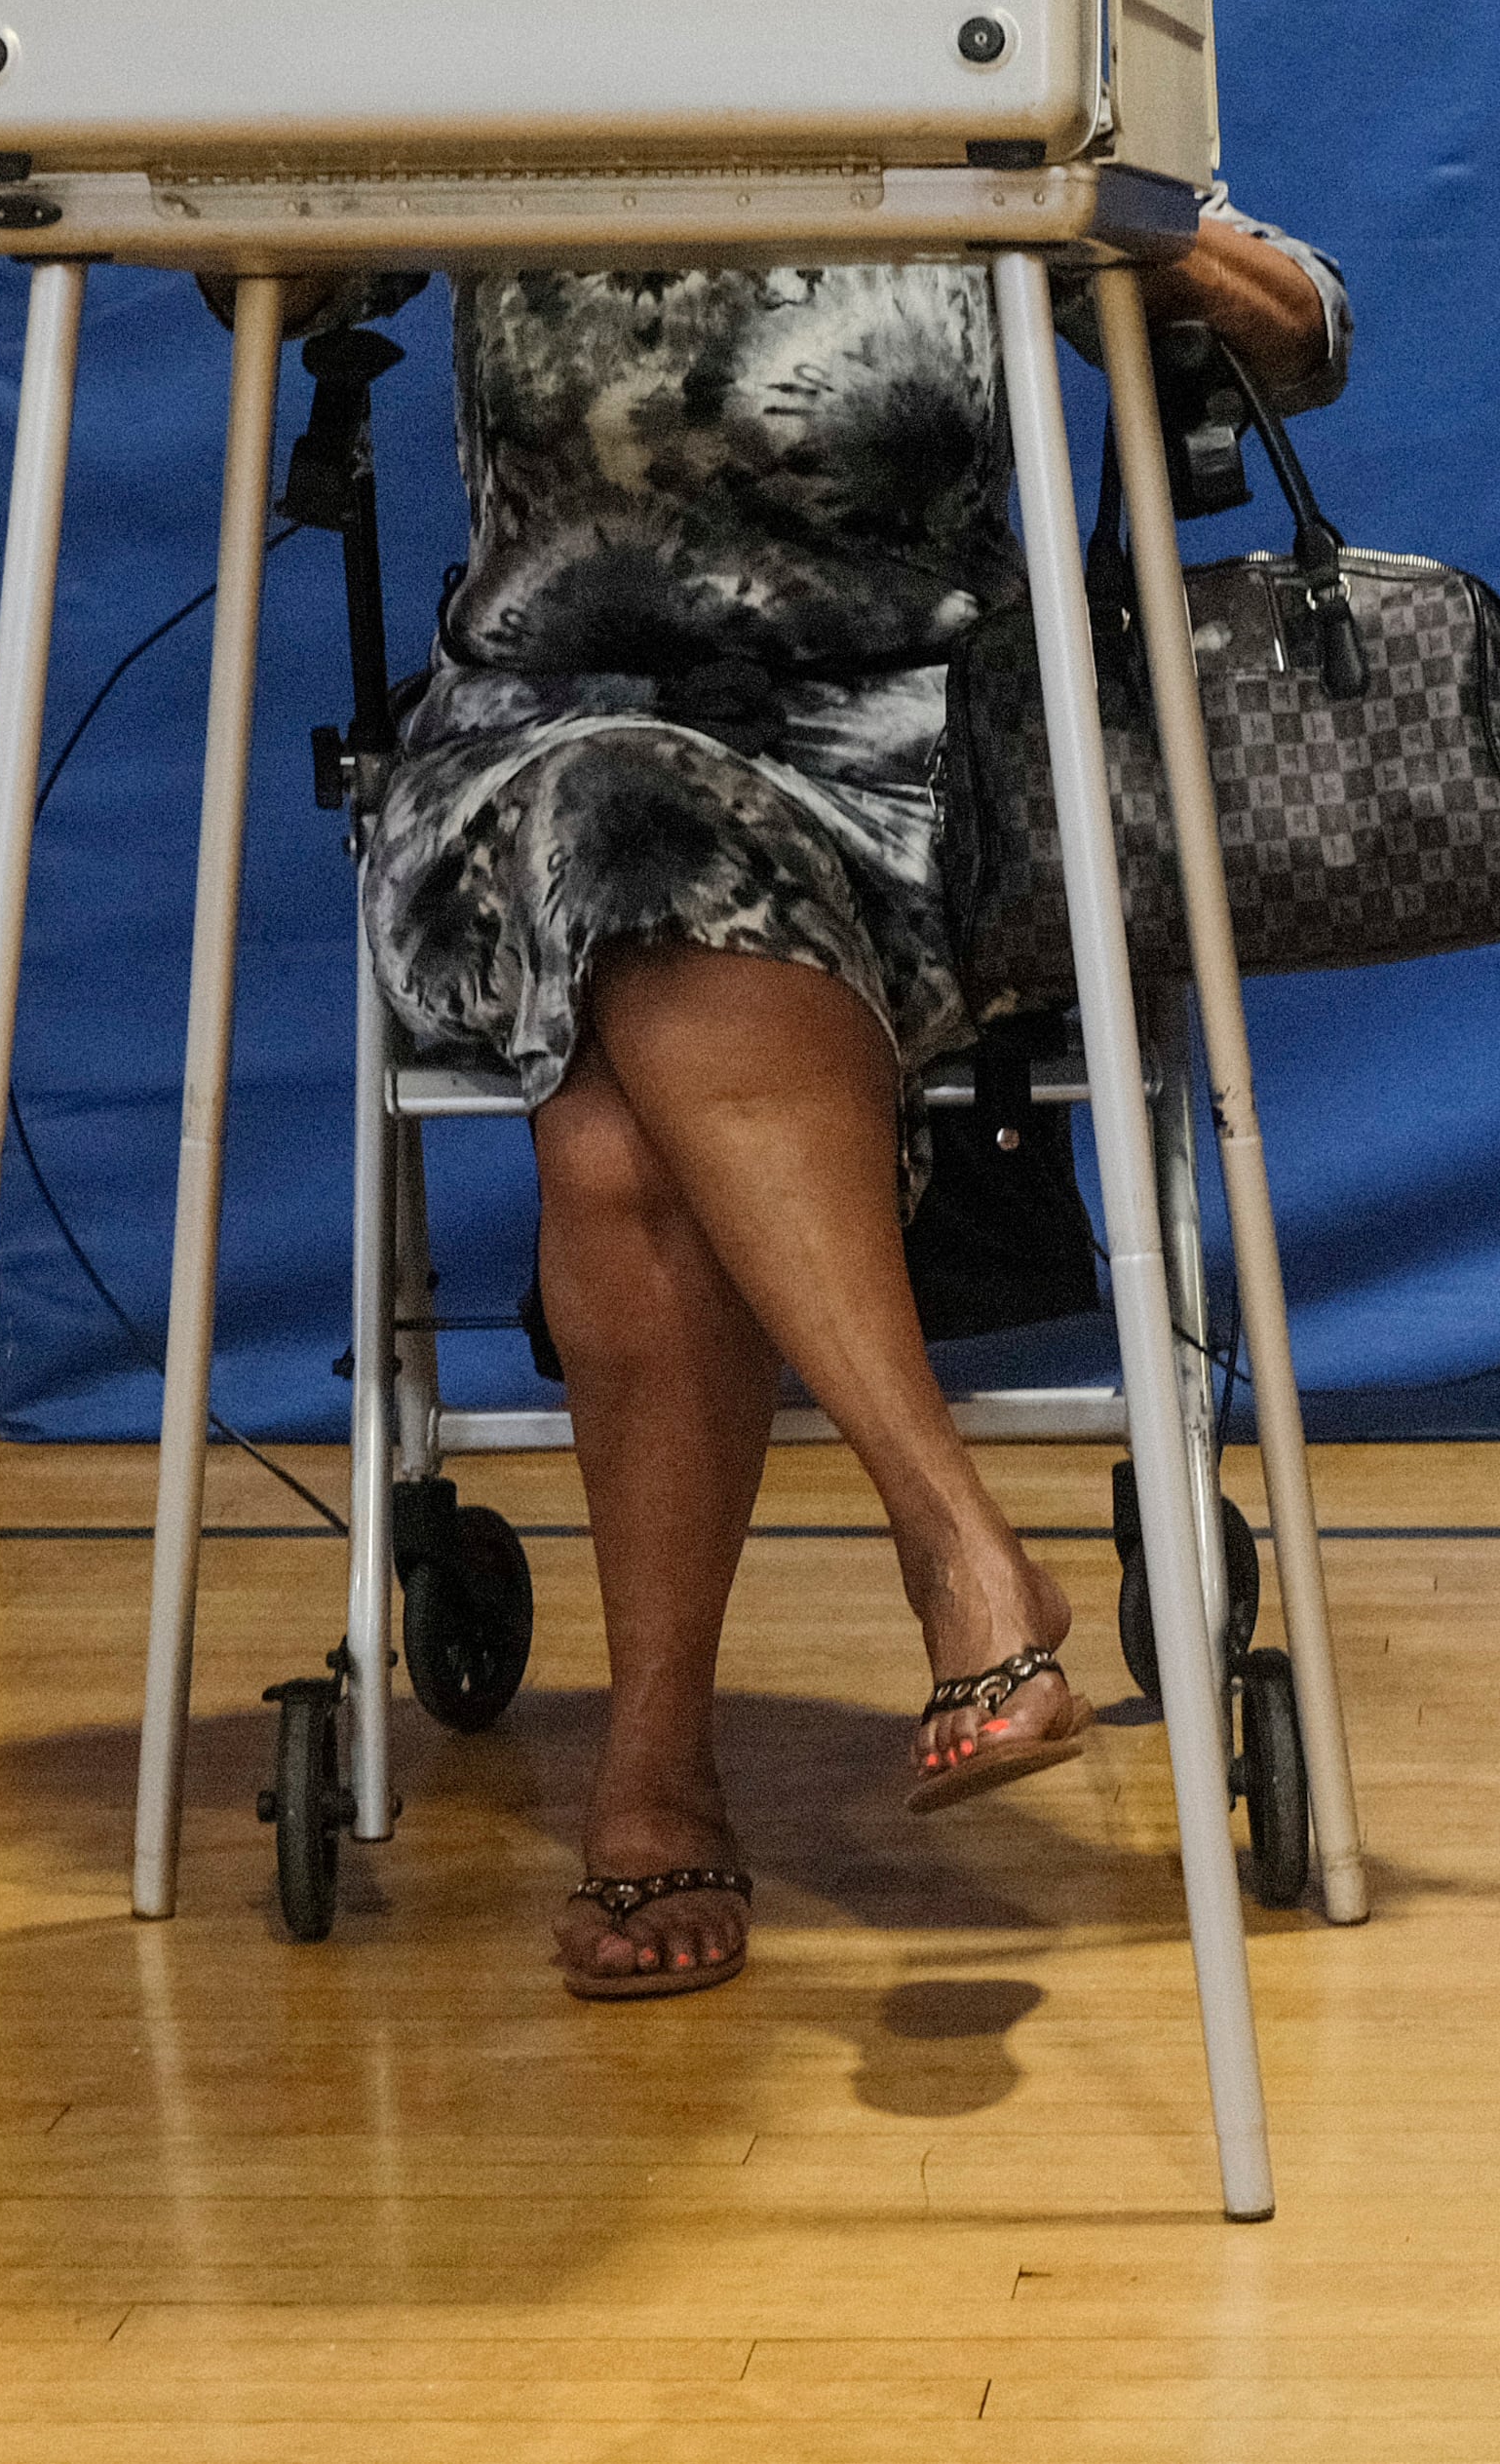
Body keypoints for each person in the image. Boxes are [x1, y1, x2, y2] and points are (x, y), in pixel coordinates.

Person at [361, 205, 1349, 2000]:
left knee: (608, 1134)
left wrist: (1104, 209)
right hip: (539, 749)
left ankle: (656, 1766)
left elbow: (1303, 328)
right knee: (628, 817)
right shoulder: (509, 57)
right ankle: (956, 1545)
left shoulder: (952, 51)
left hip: (923, 773)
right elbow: (271, 269)